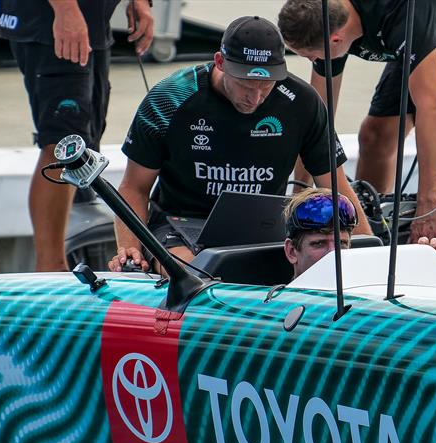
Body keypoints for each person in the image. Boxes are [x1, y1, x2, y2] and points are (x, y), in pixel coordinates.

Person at [108, 16, 372, 273]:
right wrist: (130, 248)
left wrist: (370, 256)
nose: (255, 98)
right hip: (179, 223)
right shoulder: (169, 98)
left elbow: (336, 187)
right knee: (194, 275)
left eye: (267, 85)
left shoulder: (303, 102)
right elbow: (134, 188)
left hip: (263, 225)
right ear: (220, 62)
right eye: (246, 84)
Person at [278, 0, 436, 244]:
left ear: (336, 40)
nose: (314, 63)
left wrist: (428, 207)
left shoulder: (399, 14)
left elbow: (432, 108)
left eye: (311, 57)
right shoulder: (328, 15)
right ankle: (369, 228)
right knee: (375, 134)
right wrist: (301, 192)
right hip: (431, 22)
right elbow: (316, 120)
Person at [0, 0, 154, 271]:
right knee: (62, 142)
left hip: (93, 20)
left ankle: (66, 260)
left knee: (87, 136)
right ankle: (50, 269)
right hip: (51, 20)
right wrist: (65, 10)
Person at [285, 188, 436, 278]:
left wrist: (434, 274)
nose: (334, 254)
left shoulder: (372, 290)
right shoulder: (274, 308)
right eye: (319, 243)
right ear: (292, 251)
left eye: (342, 244)